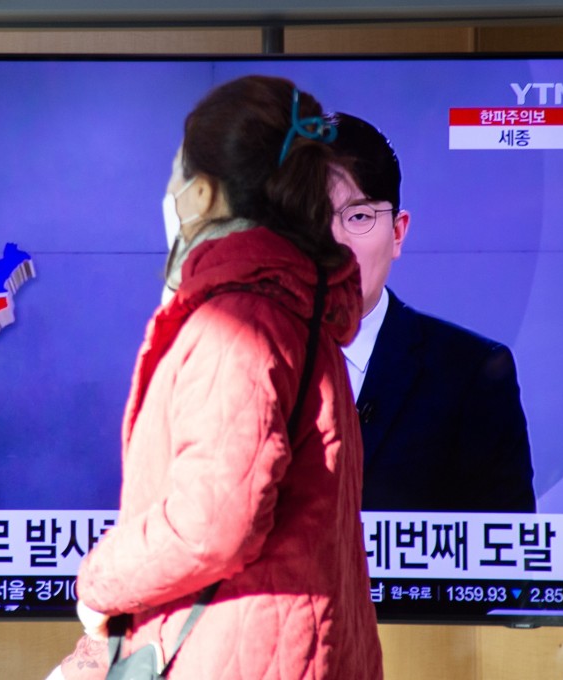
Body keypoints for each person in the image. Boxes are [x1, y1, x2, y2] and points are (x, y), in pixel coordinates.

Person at [49, 76, 382, 679]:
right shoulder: (297, 309)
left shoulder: (238, 321)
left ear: (202, 194)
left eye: (176, 174)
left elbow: (213, 523)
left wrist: (98, 583)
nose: (170, 192)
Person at [327, 112, 536, 512]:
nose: (335, 243)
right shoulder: (236, 369)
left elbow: (506, 563)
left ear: (397, 233)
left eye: (358, 217)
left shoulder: (469, 375)